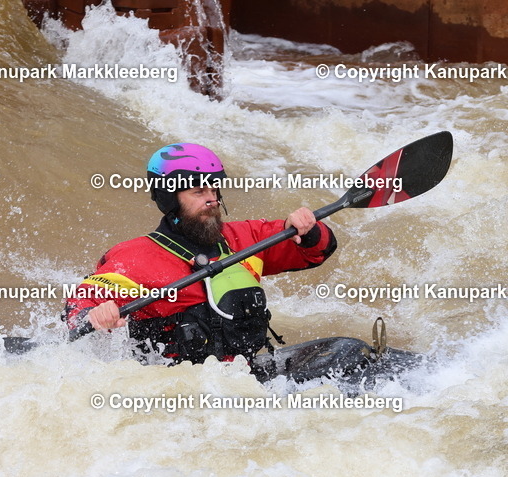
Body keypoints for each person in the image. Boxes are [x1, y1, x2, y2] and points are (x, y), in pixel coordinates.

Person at [63, 143, 337, 370]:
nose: (212, 199)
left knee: (348, 351)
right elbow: (81, 304)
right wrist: (95, 314)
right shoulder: (137, 257)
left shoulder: (245, 237)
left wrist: (307, 228)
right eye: (198, 192)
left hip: (245, 376)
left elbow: (314, 252)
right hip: (179, 388)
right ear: (169, 198)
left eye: (213, 189)